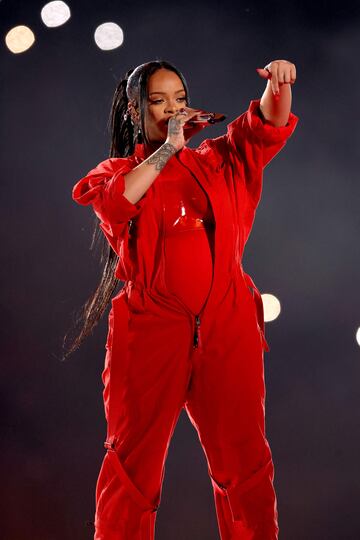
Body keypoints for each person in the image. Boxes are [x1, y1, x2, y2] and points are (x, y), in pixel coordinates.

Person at [70, 59, 298, 539]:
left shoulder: (220, 159)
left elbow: (266, 125)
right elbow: (116, 202)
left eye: (179, 98)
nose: (173, 109)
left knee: (247, 464)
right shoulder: (118, 171)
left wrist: (279, 85)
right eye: (158, 101)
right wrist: (169, 149)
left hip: (228, 324)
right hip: (150, 330)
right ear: (136, 111)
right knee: (131, 468)